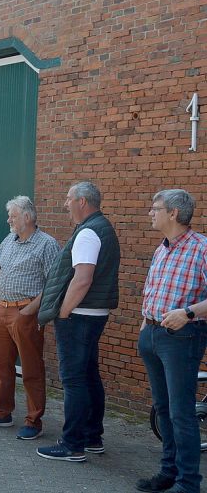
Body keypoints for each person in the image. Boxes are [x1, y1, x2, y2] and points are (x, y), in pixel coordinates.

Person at [34, 182, 121, 462]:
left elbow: (82, 279)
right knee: (89, 375)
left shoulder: (88, 233)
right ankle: (92, 437)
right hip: (92, 313)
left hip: (79, 315)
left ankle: (72, 443)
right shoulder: (103, 227)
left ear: (82, 201)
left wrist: (63, 312)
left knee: (73, 380)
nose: (65, 204)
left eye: (69, 198)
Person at [134, 189, 207, 493]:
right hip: (152, 334)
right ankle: (169, 472)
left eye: (156, 208)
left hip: (182, 338)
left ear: (174, 213)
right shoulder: (161, 248)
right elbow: (152, 290)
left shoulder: (202, 248)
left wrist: (188, 313)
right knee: (163, 409)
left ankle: (188, 483)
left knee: (181, 413)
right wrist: (144, 326)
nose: (151, 212)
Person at [0, 196, 60, 440]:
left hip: (25, 311)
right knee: (1, 365)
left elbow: (54, 283)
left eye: (13, 216)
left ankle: (34, 421)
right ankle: (2, 413)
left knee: (31, 368)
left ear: (27, 217)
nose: (9, 220)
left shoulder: (47, 244)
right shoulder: (8, 240)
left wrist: (30, 310)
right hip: (1, 309)